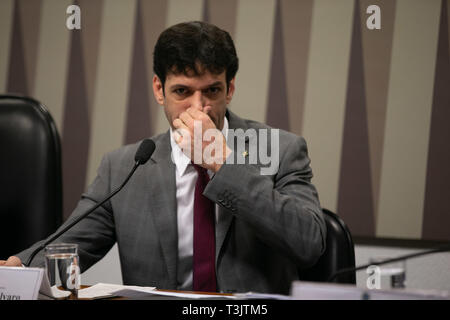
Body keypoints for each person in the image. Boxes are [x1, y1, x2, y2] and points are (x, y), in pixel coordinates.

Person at [0, 21, 326, 294]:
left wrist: (224, 165)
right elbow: (69, 246)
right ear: (159, 90)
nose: (199, 108)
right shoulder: (124, 167)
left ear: (230, 89)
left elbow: (310, 244)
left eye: (212, 91)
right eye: (182, 92)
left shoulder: (280, 149)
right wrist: (20, 267)